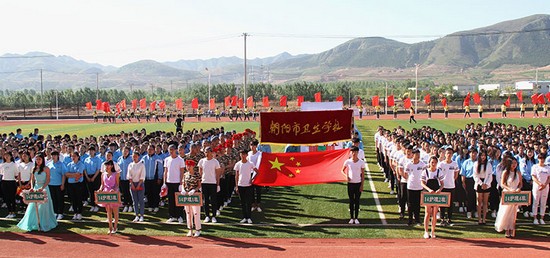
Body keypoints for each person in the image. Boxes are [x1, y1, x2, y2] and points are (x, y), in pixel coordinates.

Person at [17, 153, 58, 232]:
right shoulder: (34, 168)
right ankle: (34, 223)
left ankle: (45, 223)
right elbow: (32, 179)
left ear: (42, 160)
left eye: (39, 159)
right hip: (35, 188)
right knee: (33, 206)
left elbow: (48, 180)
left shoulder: (46, 169)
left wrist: (42, 188)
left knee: (44, 206)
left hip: (44, 188)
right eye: (37, 159)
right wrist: (32, 187)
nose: (38, 161)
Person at [495, 158, 523, 238]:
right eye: (512, 163)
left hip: (515, 194)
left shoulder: (518, 173)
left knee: (513, 213)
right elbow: (502, 183)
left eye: (515, 163)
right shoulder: (505, 172)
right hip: (507, 194)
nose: (514, 165)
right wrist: (509, 189)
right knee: (506, 212)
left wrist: (518, 188)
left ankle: (512, 229)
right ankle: (507, 229)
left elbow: (520, 183)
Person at [421, 156, 444, 239]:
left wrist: (439, 190)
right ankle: (426, 231)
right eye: (432, 162)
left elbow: (442, 184)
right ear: (429, 163)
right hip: (428, 193)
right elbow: (422, 183)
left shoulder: (439, 172)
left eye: (435, 162)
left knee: (434, 213)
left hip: (436, 194)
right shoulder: (425, 172)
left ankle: (433, 231)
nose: (433, 164)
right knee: (427, 212)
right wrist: (429, 190)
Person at [198, 146, 223, 223]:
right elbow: (200, 172)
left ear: (211, 152)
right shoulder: (202, 161)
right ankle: (207, 215)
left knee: (213, 200)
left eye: (208, 151)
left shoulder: (215, 162)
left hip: (213, 183)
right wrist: (200, 183)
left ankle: (214, 216)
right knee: (206, 200)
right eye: (205, 151)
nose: (206, 153)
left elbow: (217, 174)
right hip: (204, 183)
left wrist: (218, 185)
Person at [403, 149, 426, 226]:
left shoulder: (422, 164)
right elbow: (405, 174)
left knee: (417, 204)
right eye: (417, 155)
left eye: (419, 155)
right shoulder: (409, 164)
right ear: (413, 155)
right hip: (411, 186)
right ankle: (410, 219)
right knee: (410, 204)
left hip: (419, 186)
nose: (418, 156)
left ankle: (417, 219)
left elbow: (425, 174)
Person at [342, 146, 365, 224]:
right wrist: (346, 176)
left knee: (357, 201)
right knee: (351, 201)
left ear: (358, 152)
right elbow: (342, 170)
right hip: (350, 184)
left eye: (355, 152)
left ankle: (356, 218)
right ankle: (351, 218)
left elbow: (363, 175)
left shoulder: (361, 162)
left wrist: (362, 185)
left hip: (358, 184)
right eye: (352, 152)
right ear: (350, 153)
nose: (354, 153)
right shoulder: (348, 162)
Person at [98, 160, 121, 234]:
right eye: (106, 165)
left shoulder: (116, 174)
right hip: (106, 194)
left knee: (115, 211)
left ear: (111, 166)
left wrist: (114, 190)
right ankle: (110, 228)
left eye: (108, 165)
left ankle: (115, 227)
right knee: (108, 212)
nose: (107, 167)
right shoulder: (103, 174)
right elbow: (102, 184)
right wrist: (100, 189)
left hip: (114, 194)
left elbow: (117, 185)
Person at [164, 144, 185, 223]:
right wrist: (164, 182)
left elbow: (182, 172)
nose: (171, 151)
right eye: (169, 149)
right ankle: (172, 216)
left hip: (177, 183)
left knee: (178, 200)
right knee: (170, 200)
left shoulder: (180, 160)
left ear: (176, 150)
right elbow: (165, 172)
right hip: (169, 182)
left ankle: (179, 216)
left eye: (172, 149)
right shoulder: (166, 159)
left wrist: (181, 183)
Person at [234, 150, 257, 224]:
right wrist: (237, 186)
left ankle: (249, 217)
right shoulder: (238, 164)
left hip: (248, 185)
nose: (243, 156)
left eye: (244, 154)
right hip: (241, 185)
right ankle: (245, 217)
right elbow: (236, 176)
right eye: (241, 154)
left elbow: (257, 171)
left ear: (247, 155)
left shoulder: (250, 163)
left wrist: (252, 179)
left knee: (248, 202)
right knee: (243, 202)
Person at [438, 147, 459, 226]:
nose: (449, 155)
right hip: (443, 186)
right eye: (447, 153)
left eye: (450, 153)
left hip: (451, 186)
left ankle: (449, 219)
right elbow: (438, 175)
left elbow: (456, 174)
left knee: (450, 204)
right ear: (445, 154)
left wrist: (452, 180)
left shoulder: (454, 164)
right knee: (442, 204)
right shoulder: (441, 164)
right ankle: (442, 218)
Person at [181, 159, 202, 237]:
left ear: (193, 166)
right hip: (187, 195)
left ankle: (198, 229)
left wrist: (194, 190)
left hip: (195, 195)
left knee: (196, 213)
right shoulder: (185, 174)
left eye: (190, 165)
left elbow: (199, 185)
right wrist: (183, 190)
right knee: (188, 213)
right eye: (187, 165)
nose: (188, 167)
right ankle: (190, 229)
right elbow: (183, 183)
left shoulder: (197, 174)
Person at [63, 152, 85, 220]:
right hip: (71, 184)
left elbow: (78, 174)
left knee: (79, 198)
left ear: (78, 157)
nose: (73, 157)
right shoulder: (69, 164)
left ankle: (79, 213)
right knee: (73, 199)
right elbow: (66, 174)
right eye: (72, 156)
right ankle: (75, 212)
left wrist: (71, 175)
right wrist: (73, 175)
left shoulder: (81, 164)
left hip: (78, 184)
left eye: (74, 156)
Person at [473, 150, 493, 225]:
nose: (483, 157)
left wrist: (486, 184)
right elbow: (475, 175)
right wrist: (481, 184)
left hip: (487, 183)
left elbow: (490, 175)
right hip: (479, 183)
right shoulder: (476, 164)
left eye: (484, 155)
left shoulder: (488, 164)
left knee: (485, 202)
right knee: (479, 202)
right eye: (481, 155)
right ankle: (479, 219)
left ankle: (484, 219)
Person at [531, 153, 549, 224]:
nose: (542, 160)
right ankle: (535, 218)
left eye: (543, 159)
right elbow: (533, 177)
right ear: (538, 159)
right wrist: (540, 184)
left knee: (543, 202)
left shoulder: (547, 167)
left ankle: (542, 218)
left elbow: (549, 178)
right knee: (535, 202)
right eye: (540, 158)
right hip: (537, 186)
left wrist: (544, 185)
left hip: (545, 187)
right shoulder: (535, 167)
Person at [127, 151, 146, 222]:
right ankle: (136, 215)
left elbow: (142, 176)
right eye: (133, 156)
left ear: (138, 157)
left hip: (140, 183)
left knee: (141, 200)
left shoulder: (141, 165)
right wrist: (132, 184)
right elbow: (129, 176)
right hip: (132, 184)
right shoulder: (130, 165)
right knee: (134, 201)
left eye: (135, 156)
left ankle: (141, 215)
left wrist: (138, 185)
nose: (134, 158)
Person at [48, 151, 66, 220]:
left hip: (59, 184)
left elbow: (63, 175)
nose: (53, 157)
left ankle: (60, 213)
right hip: (51, 184)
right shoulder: (49, 164)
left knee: (60, 199)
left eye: (54, 155)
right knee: (53, 199)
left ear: (57, 156)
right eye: (52, 155)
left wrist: (63, 184)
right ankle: (55, 212)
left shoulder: (61, 164)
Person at [1, 152, 19, 218]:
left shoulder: (14, 164)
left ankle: (13, 212)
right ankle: (9, 212)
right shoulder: (2, 165)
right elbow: (2, 173)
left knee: (12, 197)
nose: (6, 157)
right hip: (4, 182)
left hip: (11, 182)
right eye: (5, 155)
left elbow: (16, 174)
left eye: (8, 155)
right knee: (6, 197)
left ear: (11, 156)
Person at [461, 148, 478, 219]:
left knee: (476, 196)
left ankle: (476, 211)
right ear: (469, 154)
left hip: (477, 180)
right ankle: (469, 211)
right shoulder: (466, 162)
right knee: (469, 196)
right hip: (469, 180)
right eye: (472, 153)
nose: (473, 154)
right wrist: (463, 182)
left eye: (475, 153)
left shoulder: (478, 162)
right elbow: (463, 173)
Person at [248, 140, 263, 212]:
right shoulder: (249, 154)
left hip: (257, 173)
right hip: (250, 173)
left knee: (258, 190)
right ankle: (253, 204)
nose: (252, 147)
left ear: (256, 146)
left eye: (253, 145)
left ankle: (258, 205)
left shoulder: (259, 154)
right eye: (251, 145)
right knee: (251, 190)